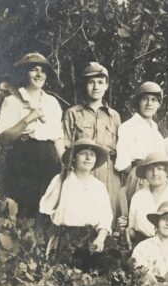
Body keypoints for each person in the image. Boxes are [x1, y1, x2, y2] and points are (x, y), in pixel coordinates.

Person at [0, 52, 64, 218]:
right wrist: (27, 119)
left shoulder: (52, 102)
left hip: (49, 161)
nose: (39, 74)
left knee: (45, 211)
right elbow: (3, 139)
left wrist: (65, 166)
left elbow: (58, 138)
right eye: (34, 69)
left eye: (43, 71)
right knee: (21, 211)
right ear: (25, 73)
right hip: (22, 159)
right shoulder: (13, 100)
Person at [39, 138, 112, 269]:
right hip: (64, 239)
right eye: (83, 153)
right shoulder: (61, 180)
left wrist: (100, 239)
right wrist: (62, 178)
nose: (88, 157)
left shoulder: (99, 186)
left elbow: (105, 218)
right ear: (73, 158)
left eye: (92, 155)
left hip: (90, 240)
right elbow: (47, 208)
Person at [62, 62, 122, 221]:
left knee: (107, 218)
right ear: (85, 85)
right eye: (91, 82)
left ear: (107, 85)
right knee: (82, 216)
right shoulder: (73, 113)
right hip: (82, 170)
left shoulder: (114, 116)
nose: (96, 87)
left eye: (100, 82)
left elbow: (120, 149)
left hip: (109, 171)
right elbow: (66, 148)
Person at [122, 152, 168, 244]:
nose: (155, 173)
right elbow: (131, 230)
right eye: (150, 169)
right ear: (145, 174)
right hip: (144, 245)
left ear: (167, 173)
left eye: (159, 169)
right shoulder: (138, 197)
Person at [115, 81, 165, 204]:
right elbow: (122, 164)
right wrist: (138, 176)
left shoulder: (156, 131)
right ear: (138, 101)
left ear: (158, 104)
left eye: (154, 100)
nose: (149, 104)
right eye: (145, 99)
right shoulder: (128, 127)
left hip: (157, 178)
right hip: (138, 178)